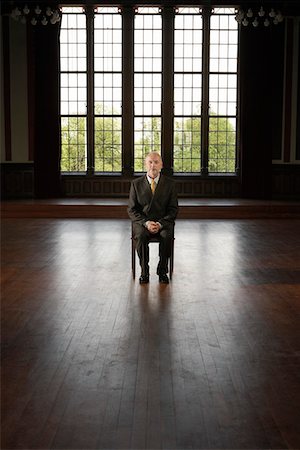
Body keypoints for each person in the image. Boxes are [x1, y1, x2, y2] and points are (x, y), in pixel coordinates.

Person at [128, 152, 178, 284]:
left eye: (156, 162)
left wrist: (160, 224)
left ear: (161, 165)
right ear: (145, 164)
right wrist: (146, 223)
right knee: (141, 236)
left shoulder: (170, 184)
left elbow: (173, 209)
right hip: (143, 223)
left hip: (163, 222)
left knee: (167, 236)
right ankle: (144, 271)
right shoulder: (136, 184)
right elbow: (132, 210)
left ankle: (162, 271)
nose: (153, 165)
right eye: (150, 162)